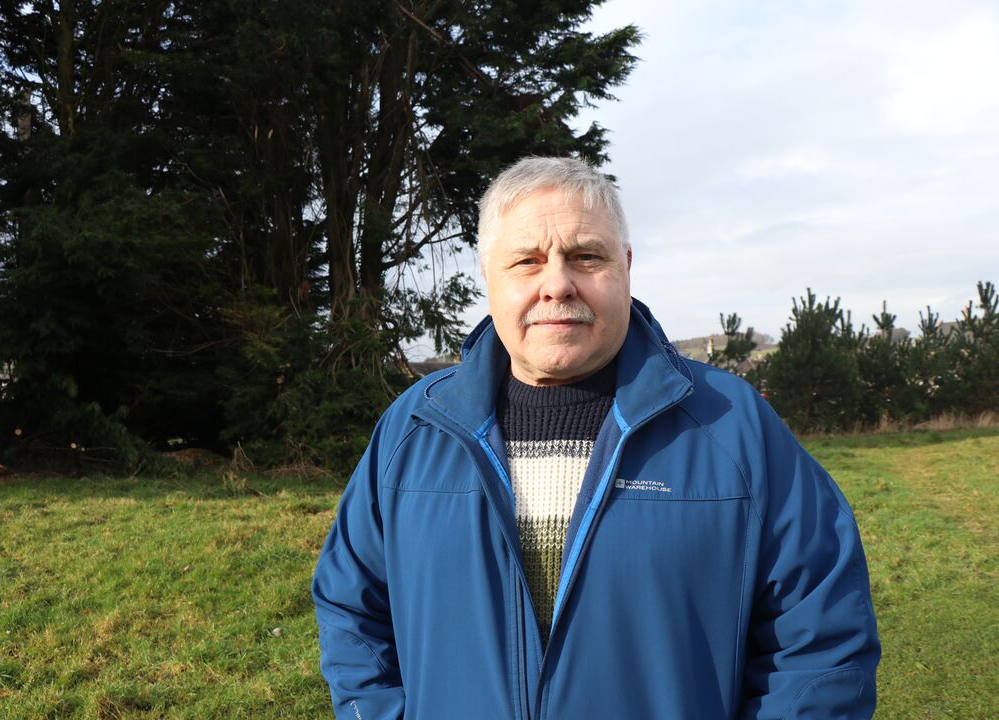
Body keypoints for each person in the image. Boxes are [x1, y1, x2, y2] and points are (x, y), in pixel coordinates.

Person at [311, 157, 880, 719]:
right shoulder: (413, 428)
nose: (557, 284)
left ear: (627, 267)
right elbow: (352, 610)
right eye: (527, 261)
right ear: (489, 277)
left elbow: (822, 640)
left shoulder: (732, 426)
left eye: (586, 256)